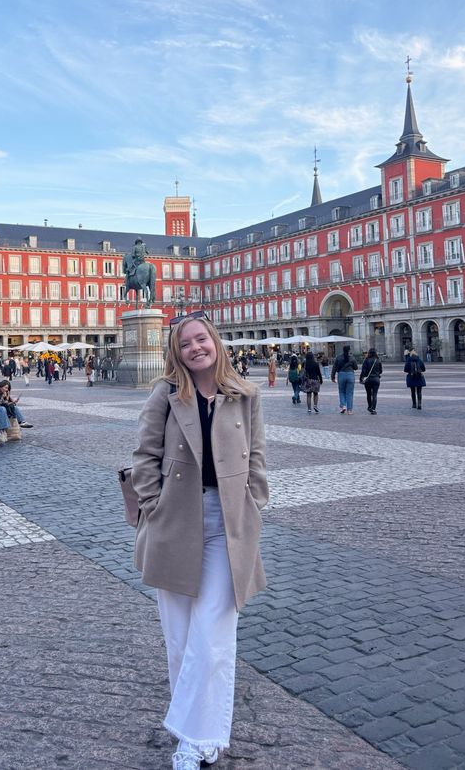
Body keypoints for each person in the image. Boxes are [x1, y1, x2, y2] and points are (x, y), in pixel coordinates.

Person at [131, 312, 269, 770]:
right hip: (175, 522)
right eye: (186, 342)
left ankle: (191, 740)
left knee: (212, 635)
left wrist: (255, 498)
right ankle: (206, 735)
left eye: (201, 338)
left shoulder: (244, 395)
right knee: (180, 637)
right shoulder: (167, 395)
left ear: (215, 342)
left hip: (227, 524)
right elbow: (144, 456)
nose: (195, 347)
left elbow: (258, 455)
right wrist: (154, 504)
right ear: (177, 352)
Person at [331, 344, 358, 414]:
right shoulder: (352, 357)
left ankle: (343, 406)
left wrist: (332, 377)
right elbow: (356, 367)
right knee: (350, 393)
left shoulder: (339, 357)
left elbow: (334, 367)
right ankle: (349, 410)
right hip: (350, 375)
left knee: (341, 392)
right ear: (349, 350)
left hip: (341, 375)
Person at [360, 348, 383, 415]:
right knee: (375, 394)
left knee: (369, 394)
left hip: (368, 379)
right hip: (376, 379)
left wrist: (361, 378)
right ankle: (373, 408)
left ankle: (369, 406)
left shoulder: (366, 360)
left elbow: (363, 371)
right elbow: (381, 371)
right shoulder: (378, 360)